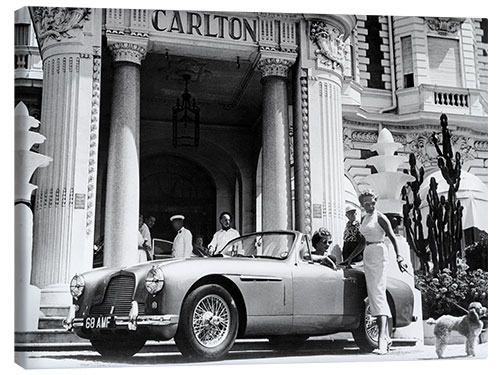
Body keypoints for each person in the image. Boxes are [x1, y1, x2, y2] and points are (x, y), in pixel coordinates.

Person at [356, 189, 406, 355]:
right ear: (362, 205)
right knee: (374, 295)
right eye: (366, 204)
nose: (370, 206)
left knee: (377, 294)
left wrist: (399, 257)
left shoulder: (380, 217)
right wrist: (349, 259)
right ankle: (387, 336)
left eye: (373, 202)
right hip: (368, 254)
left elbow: (392, 236)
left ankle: (382, 340)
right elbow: (362, 241)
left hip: (379, 254)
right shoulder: (364, 218)